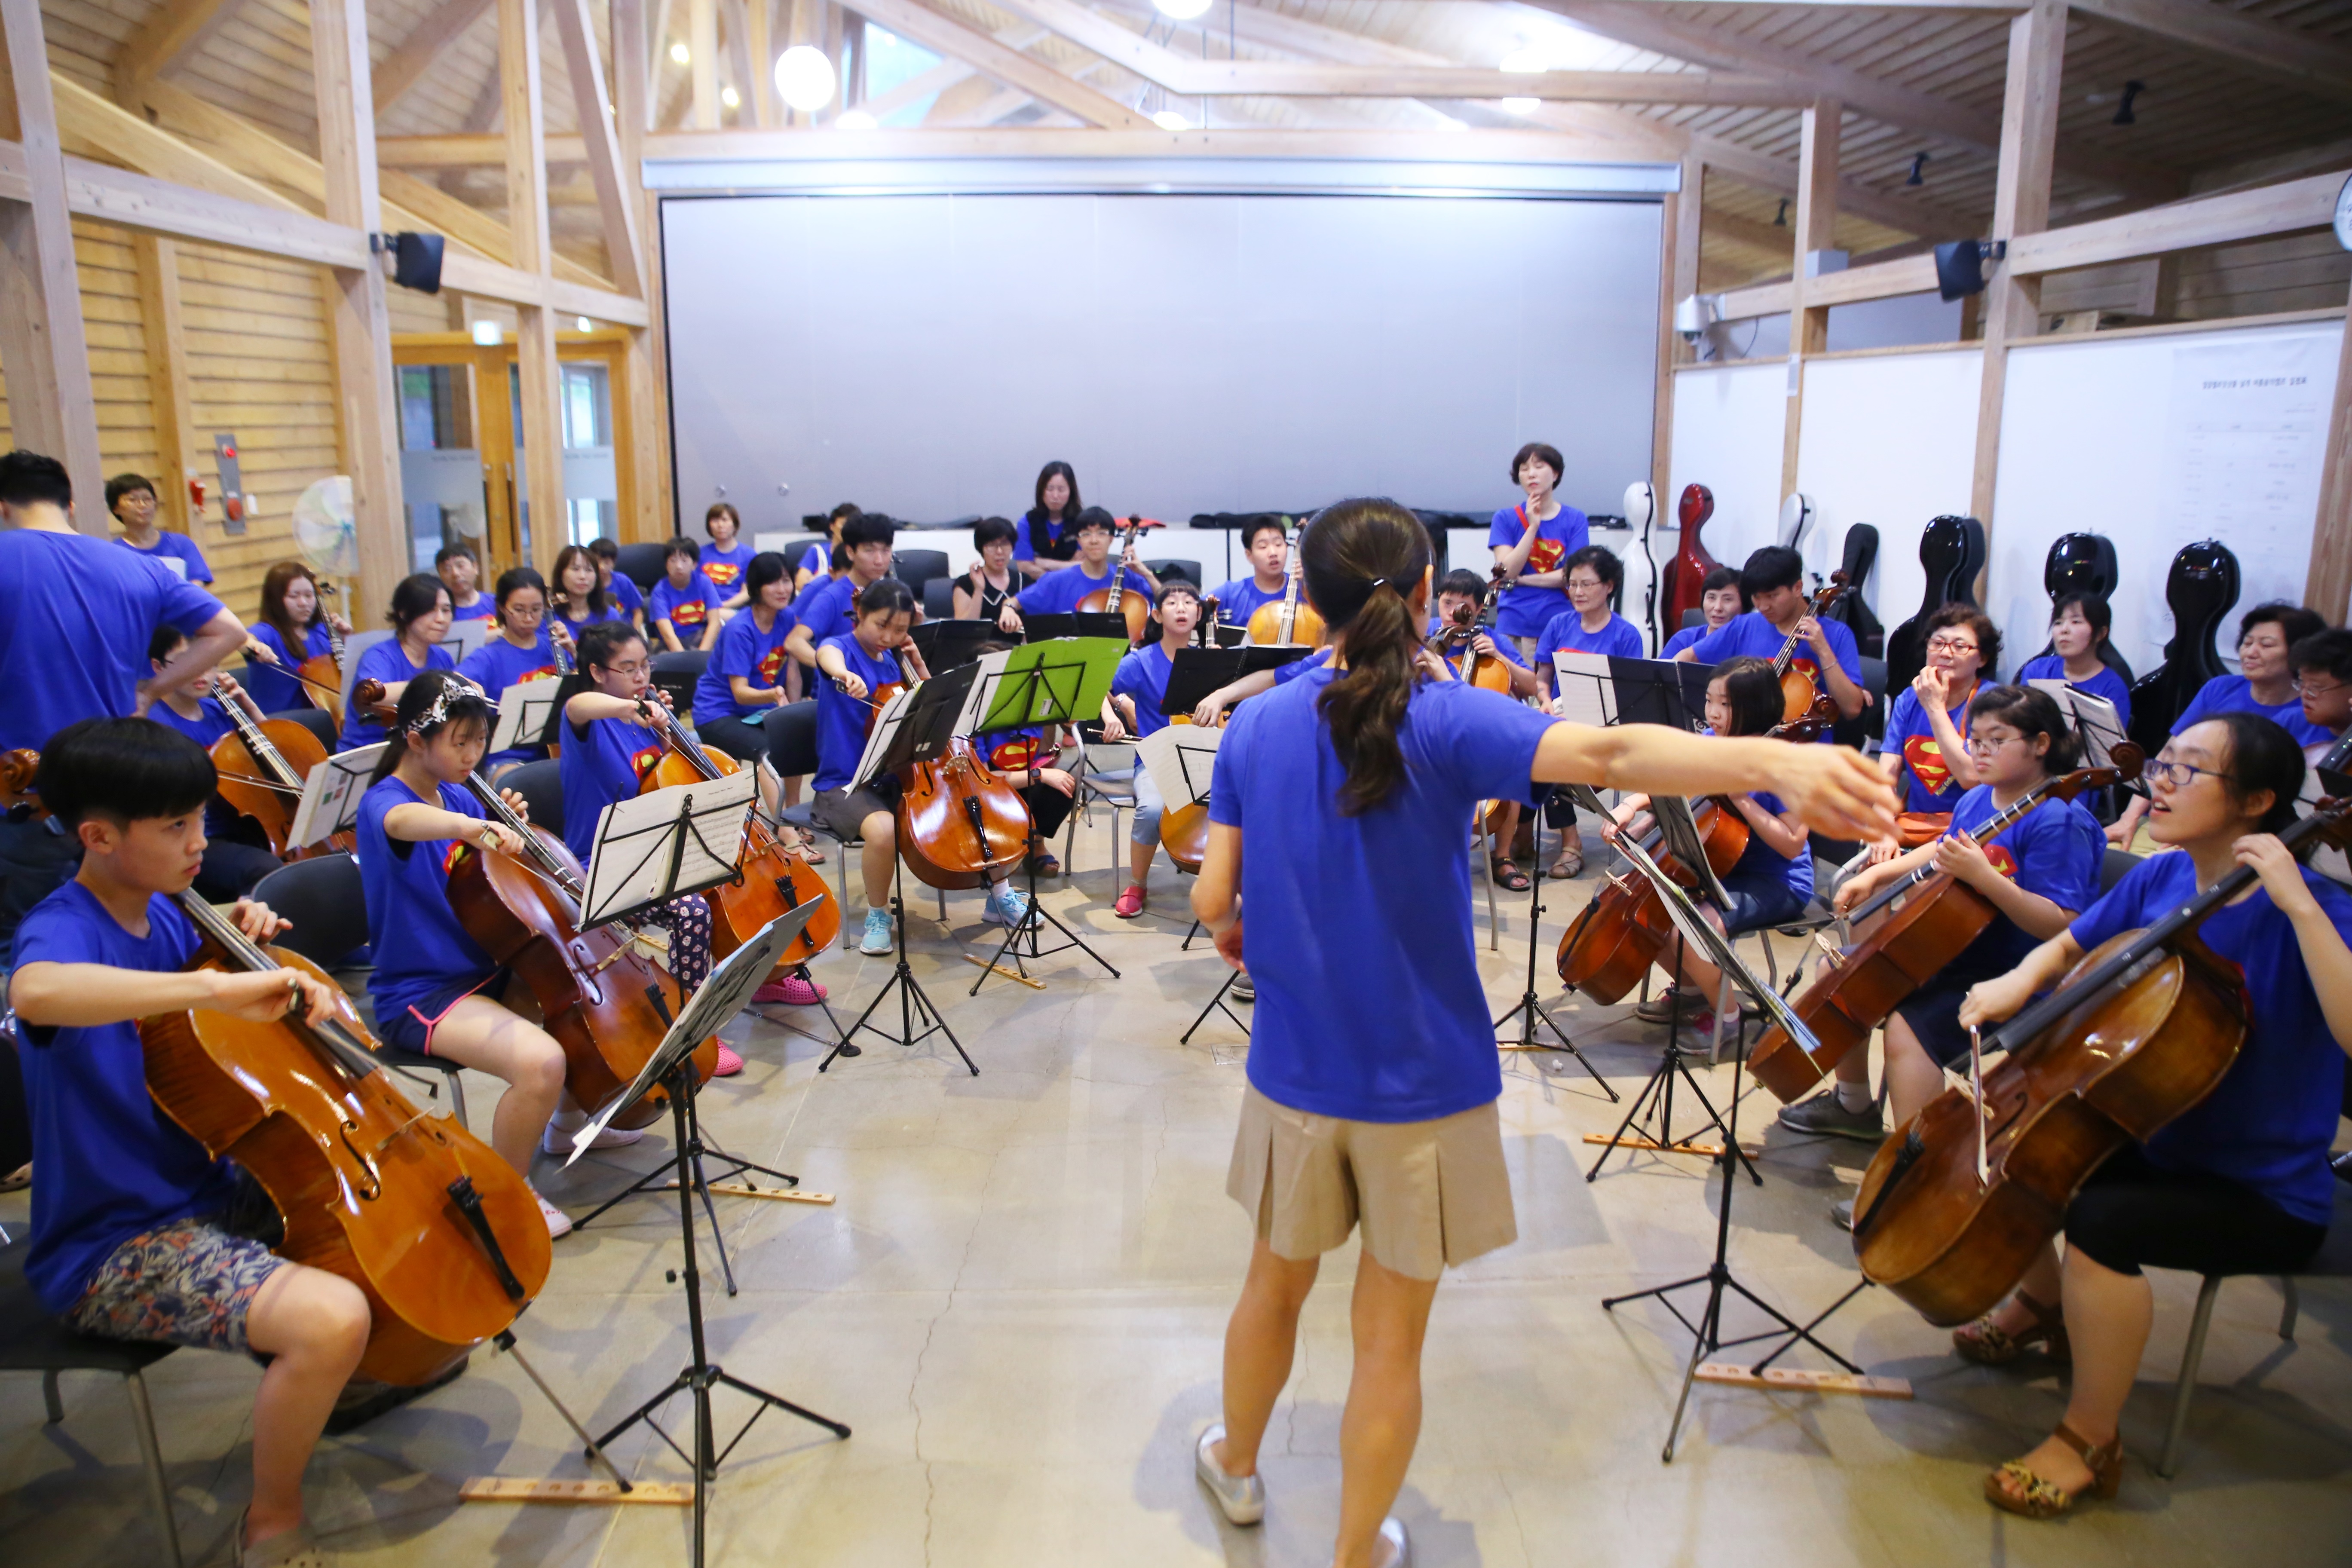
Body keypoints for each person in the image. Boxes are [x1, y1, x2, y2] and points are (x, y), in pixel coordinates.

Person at [1187, 499, 1895, 1568]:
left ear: (1309, 607)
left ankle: (1235, 1468)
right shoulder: (1447, 719)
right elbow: (1608, 750)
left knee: (1270, 1287)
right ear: (1428, 597)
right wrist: (1771, 761)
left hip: (1293, 1074)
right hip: (1424, 1091)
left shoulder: (1255, 726)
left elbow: (1209, 904)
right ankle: (1349, 1552)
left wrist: (1264, 929)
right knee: (1389, 1341)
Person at [1955, 712, 2352, 1519]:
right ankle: (2041, 1308)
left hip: (2260, 1185)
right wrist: (2018, 982)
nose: (2158, 781)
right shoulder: (2162, 876)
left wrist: (2301, 907)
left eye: (2186, 769)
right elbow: (2069, 945)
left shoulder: (2315, 908)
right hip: (2153, 1130)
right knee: (2022, 1149)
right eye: (2162, 761)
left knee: (2103, 1217)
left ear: (2258, 800)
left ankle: (2087, 1437)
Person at [8, 716, 372, 1568]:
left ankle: (353, 1380)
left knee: (379, 1217)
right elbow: (36, 991)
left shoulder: (167, 911)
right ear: (97, 837)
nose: (200, 842)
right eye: (176, 827)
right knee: (331, 1319)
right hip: (115, 1243)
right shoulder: (63, 929)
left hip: (210, 1185)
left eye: (199, 820)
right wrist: (205, 990)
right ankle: (272, 1521)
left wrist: (225, 937)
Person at [1778, 686, 2103, 1216]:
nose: (1980, 750)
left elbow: (2062, 925)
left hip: (2016, 973)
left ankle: (1917, 1177)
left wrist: (1986, 879)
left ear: (2042, 744)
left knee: (1908, 1024)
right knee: (1839, 971)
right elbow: (1946, 846)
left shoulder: (2059, 820)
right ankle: (1854, 1107)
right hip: (1955, 949)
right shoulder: (1979, 796)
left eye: (1998, 740)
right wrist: (1883, 871)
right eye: (1975, 738)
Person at [358, 670, 644, 1235]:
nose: (472, 754)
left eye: (479, 741)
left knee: (572, 1007)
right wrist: (471, 825)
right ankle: (505, 1195)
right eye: (458, 742)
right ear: (416, 740)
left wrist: (501, 819)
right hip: (423, 994)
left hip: (487, 968)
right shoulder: (385, 802)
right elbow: (403, 822)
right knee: (541, 1062)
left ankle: (565, 1125)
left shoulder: (459, 790)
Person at [1, 451, 242, 965]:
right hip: (119, 799)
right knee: (124, 939)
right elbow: (228, 631)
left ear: (3, 508)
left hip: (24, 800)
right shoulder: (136, 566)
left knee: (26, 953)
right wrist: (152, 691)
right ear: (69, 504)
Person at [560, 622, 820, 1015]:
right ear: (597, 673)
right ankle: (696, 1018)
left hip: (662, 851)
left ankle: (764, 979)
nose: (640, 677)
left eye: (645, 666)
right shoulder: (588, 723)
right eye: (627, 669)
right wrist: (631, 708)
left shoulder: (645, 723)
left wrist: (665, 730)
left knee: (740, 880)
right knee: (692, 910)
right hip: (606, 867)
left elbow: (665, 780)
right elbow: (575, 706)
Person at [1606, 656, 1819, 1039]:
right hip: (1719, 864)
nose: (1713, 714)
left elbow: (1791, 845)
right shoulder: (1711, 742)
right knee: (1643, 912)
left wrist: (1745, 801)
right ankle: (1693, 991)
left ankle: (1729, 1018)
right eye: (1709, 701)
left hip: (1775, 879)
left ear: (1754, 707)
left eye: (1726, 705)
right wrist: (1632, 806)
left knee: (1690, 930)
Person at [812, 580, 1031, 950]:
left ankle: (1000, 895)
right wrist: (845, 675)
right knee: (883, 831)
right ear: (861, 614)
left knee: (968, 804)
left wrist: (915, 661)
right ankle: (879, 915)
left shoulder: (897, 661)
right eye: (881, 625)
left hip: (902, 777)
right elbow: (826, 653)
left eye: (899, 630)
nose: (888, 637)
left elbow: (939, 709)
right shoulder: (841, 651)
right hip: (848, 783)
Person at [2108, 600, 2331, 846]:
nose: (2251, 652)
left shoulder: (2312, 715)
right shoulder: (2220, 688)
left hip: (2235, 838)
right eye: (2247, 643)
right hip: (2167, 816)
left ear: (2299, 654)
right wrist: (2129, 817)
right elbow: (2167, 759)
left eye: (2266, 645)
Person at [143, 629, 283, 902]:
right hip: (200, 837)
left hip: (245, 825)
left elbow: (275, 756)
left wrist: (247, 707)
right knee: (267, 870)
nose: (203, 672)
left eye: (211, 661)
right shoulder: (154, 724)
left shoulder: (219, 709)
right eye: (189, 662)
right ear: (158, 667)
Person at [1424, 570, 1538, 890]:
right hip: (1433, 738)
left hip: (1481, 741)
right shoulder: (1429, 636)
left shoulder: (1491, 639)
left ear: (1477, 610)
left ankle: (1502, 856)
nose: (1453, 612)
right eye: (1447, 603)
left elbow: (1530, 685)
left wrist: (1499, 655)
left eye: (1463, 606)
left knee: (1511, 770)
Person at [1674, 544, 1868, 729]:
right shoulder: (1744, 626)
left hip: (1809, 752)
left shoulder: (1837, 635)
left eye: (1772, 596)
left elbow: (1852, 709)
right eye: (1756, 597)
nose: (1763, 606)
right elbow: (1687, 657)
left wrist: (1824, 652)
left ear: (1798, 588)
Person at [1104, 582, 1204, 920]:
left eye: (1189, 602)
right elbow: (1100, 684)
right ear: (1158, 615)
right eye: (1172, 603)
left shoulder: (1212, 658)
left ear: (1199, 614)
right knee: (1151, 809)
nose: (1181, 608)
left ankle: (1229, 884)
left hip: (1205, 758)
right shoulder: (1141, 661)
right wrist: (1116, 710)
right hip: (1156, 759)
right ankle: (1137, 884)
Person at [1874, 603, 1999, 850]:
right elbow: (1884, 777)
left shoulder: (1994, 704)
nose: (1945, 653)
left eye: (1960, 646)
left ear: (1982, 658)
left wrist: (1935, 708)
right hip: (1917, 827)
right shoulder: (1910, 699)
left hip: (1973, 835)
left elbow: (1970, 778)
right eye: (1937, 643)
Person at [970, 640, 1078, 877]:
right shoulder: (973, 720)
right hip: (987, 791)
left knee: (1064, 787)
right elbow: (985, 780)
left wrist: (1051, 716)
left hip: (1021, 782)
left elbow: (1044, 750)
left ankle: (1035, 844)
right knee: (1046, 780)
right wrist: (1040, 775)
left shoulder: (1025, 704)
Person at [455, 568, 566, 778]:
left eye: (536, 609)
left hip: (558, 750)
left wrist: (574, 653)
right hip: (508, 757)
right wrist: (469, 686)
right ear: (502, 609)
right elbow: (455, 681)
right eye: (519, 609)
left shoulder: (554, 646)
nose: (529, 618)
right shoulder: (488, 657)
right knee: (522, 785)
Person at [1488, 441, 1588, 657]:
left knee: (1555, 691)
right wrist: (1533, 526)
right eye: (1524, 469)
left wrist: (1522, 581)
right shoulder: (1505, 519)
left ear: (1556, 474)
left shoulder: (1575, 519)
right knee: (1512, 689)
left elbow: (1571, 575)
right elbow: (1506, 571)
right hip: (1514, 623)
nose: (1531, 474)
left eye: (1539, 466)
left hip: (1560, 622)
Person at [337, 573, 456, 753]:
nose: (441, 619)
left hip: (418, 754)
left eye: (446, 610)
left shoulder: (443, 657)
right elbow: (373, 697)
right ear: (404, 613)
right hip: (370, 756)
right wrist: (433, 686)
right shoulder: (379, 656)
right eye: (431, 610)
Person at [786, 512, 896, 669]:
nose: (879, 561)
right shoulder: (832, 596)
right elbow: (794, 643)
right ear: (850, 552)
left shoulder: (889, 592)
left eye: (886, 551)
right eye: (870, 551)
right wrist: (837, 670)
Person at [2015, 591, 2132, 732]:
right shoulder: (2037, 670)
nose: (2064, 630)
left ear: (2101, 634)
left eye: (2076, 622)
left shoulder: (2113, 689)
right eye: (2058, 622)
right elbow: (2020, 724)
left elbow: (2110, 748)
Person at [244, 561, 349, 714]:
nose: (304, 603)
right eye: (294, 596)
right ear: (276, 600)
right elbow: (243, 640)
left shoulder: (322, 630)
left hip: (322, 720)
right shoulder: (268, 632)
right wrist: (255, 647)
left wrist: (346, 639)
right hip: (282, 723)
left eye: (309, 595)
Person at [1015, 509, 1157, 618]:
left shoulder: (1129, 579)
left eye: (1101, 533)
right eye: (1086, 534)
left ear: (1111, 539)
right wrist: (1009, 608)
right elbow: (1015, 602)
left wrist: (1147, 574)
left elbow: (1167, 603)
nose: (1094, 540)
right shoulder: (1056, 580)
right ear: (1078, 540)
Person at [107, 472, 211, 584]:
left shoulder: (181, 543)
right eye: (132, 500)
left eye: (147, 499)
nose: (142, 505)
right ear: (116, 508)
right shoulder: (114, 552)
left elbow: (199, 579)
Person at [1207, 516, 1293, 635]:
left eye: (1279, 545)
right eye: (1263, 547)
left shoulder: (1305, 590)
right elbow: (1195, 608)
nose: (1273, 553)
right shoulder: (1231, 594)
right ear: (1249, 555)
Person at [648, 537, 721, 652]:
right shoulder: (660, 592)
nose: (679, 566)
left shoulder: (704, 582)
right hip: (673, 642)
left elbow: (715, 623)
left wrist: (701, 656)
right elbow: (668, 635)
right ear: (666, 565)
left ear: (695, 564)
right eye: (673, 560)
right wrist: (685, 661)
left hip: (701, 636)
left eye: (684, 561)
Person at [953, 516, 1024, 634]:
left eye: (1005, 544)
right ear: (981, 549)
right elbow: (963, 631)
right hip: (981, 650)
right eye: (992, 545)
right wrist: (978, 591)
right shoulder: (965, 583)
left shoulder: (1024, 581)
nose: (1000, 552)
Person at [1013, 460, 1083, 579]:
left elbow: (1082, 566)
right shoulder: (1026, 523)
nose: (1055, 496)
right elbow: (1024, 567)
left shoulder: (1082, 522)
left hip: (1073, 586)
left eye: (1061, 490)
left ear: (1071, 492)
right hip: (1036, 588)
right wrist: (1063, 570)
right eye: (1050, 489)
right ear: (1041, 491)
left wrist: (1044, 563)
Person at [1660, 564, 1744, 659]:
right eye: (1711, 598)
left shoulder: (1751, 644)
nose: (1717, 607)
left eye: (1728, 599)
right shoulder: (1684, 640)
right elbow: (1661, 672)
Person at [549, 544, 624, 646]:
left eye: (589, 570)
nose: (583, 577)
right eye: (575, 569)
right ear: (561, 574)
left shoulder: (610, 615)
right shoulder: (549, 617)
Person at [796, 502, 860, 592]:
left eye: (853, 525)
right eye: (844, 524)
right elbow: (801, 584)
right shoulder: (817, 552)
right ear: (832, 526)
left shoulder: (860, 555)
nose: (848, 529)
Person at [698, 502, 755, 601]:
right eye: (715, 521)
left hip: (735, 609)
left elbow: (747, 592)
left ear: (735, 524)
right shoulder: (700, 554)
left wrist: (722, 607)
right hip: (704, 607)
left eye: (725, 520)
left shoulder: (749, 555)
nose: (720, 525)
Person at [587, 536, 645, 629]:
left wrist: (635, 634)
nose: (602, 567)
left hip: (625, 631)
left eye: (606, 562)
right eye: (598, 562)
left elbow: (638, 612)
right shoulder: (587, 585)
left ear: (614, 563)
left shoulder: (623, 581)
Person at [437, 542, 493, 623]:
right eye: (447, 569)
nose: (455, 574)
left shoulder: (497, 603)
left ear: (475, 568)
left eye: (461, 566)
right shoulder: (439, 614)